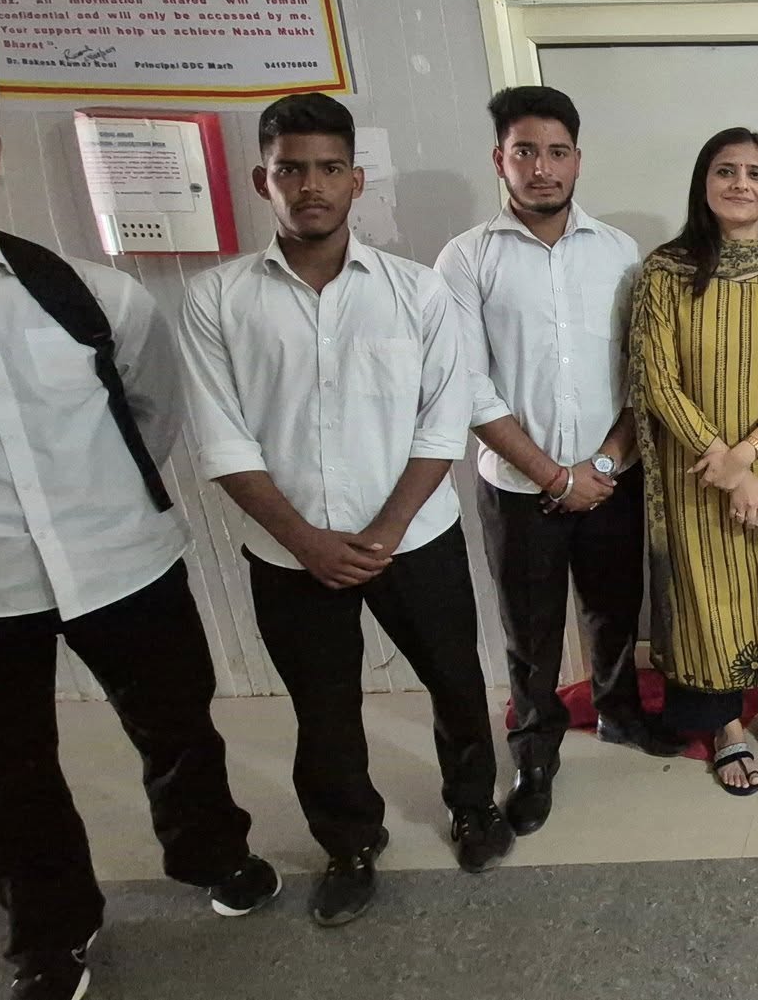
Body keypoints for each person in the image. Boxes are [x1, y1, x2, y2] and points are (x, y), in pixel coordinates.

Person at [0, 45, 276, 1000]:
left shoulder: (92, 295)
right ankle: (53, 934)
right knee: (6, 781)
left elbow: (153, 410)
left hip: (124, 562)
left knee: (178, 728)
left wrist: (108, 502)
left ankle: (210, 852)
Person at [179, 93, 513, 927]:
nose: (311, 186)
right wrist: (308, 542)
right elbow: (222, 440)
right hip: (291, 554)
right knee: (323, 708)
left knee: (455, 679)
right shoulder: (217, 298)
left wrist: (386, 530)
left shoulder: (415, 291)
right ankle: (350, 842)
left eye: (329, 168)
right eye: (291, 169)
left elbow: (442, 421)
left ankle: (473, 805)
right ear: (262, 179)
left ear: (357, 181)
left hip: (415, 537)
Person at [436, 86, 680, 838]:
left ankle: (619, 712)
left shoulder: (618, 252)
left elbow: (642, 372)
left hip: (612, 478)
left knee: (615, 610)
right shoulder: (466, 259)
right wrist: (554, 476)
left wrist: (602, 465)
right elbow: (467, 384)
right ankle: (535, 754)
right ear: (499, 160)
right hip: (518, 487)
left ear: (578, 159)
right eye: (525, 152)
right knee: (530, 630)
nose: (542, 168)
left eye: (557, 152)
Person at [630, 127, 758, 794]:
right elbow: (656, 379)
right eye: (725, 170)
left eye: (755, 173)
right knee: (708, 597)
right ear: (703, 183)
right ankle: (725, 726)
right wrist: (724, 461)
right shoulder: (665, 271)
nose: (740, 183)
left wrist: (748, 455)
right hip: (696, 474)